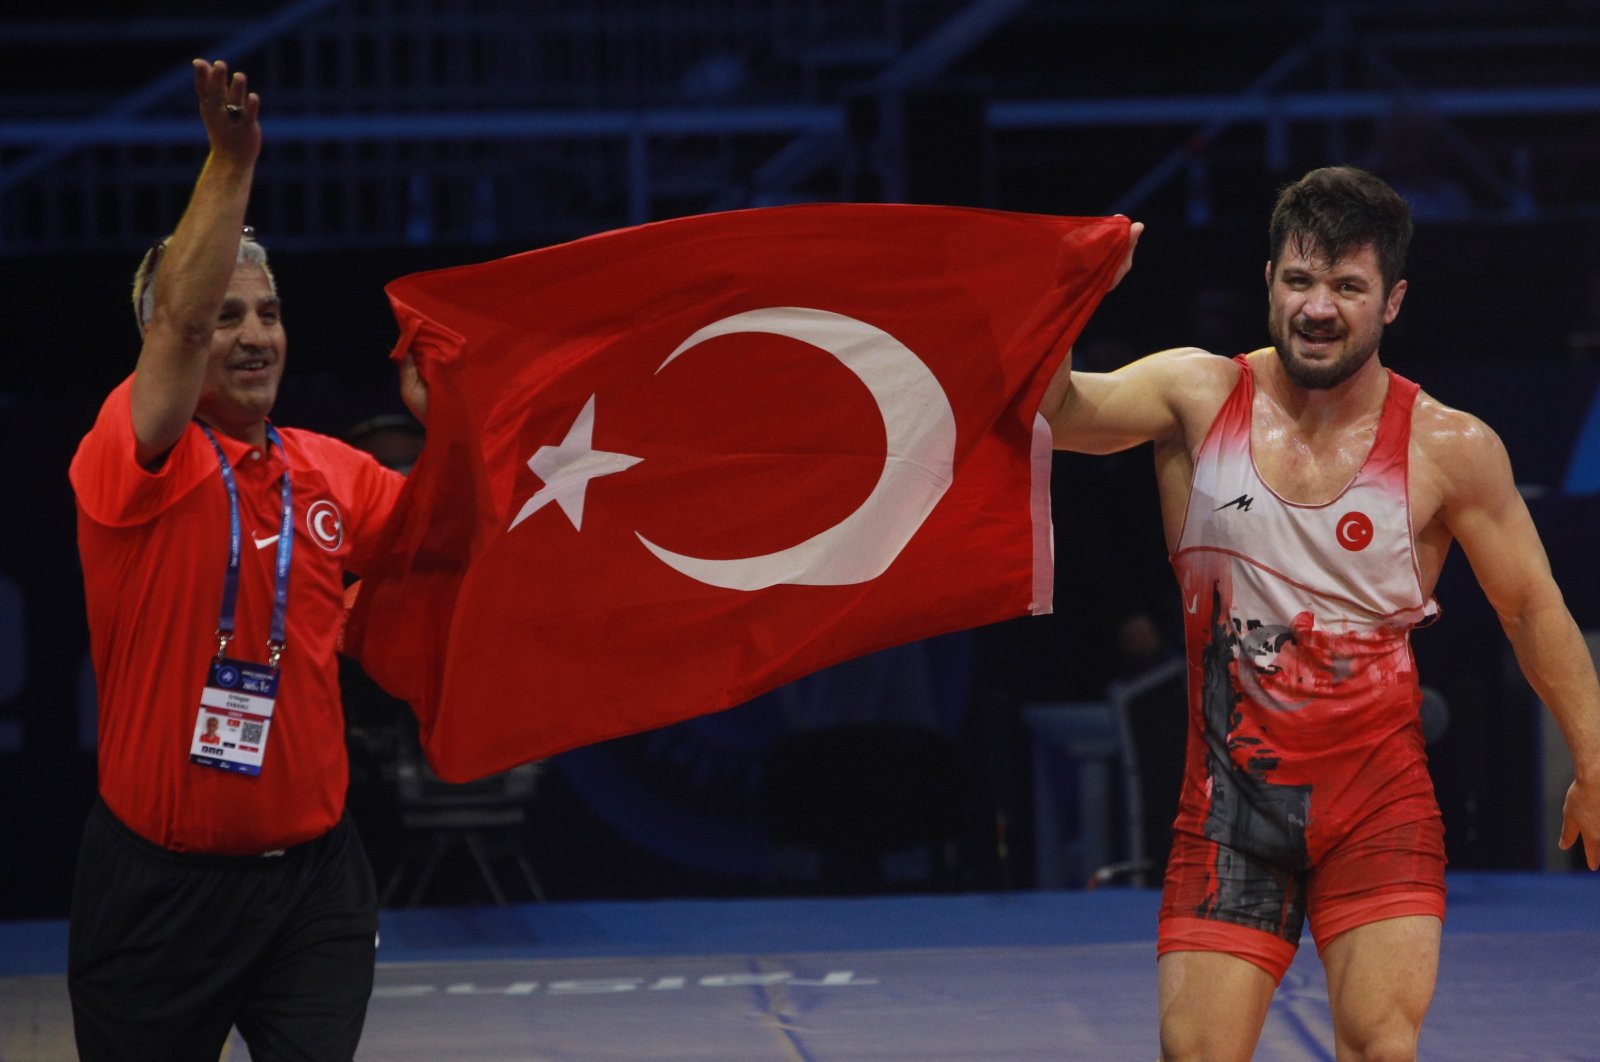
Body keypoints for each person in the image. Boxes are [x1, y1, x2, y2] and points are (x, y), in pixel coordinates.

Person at [1042, 165, 1600, 1061]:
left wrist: (1594, 758)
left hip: (1378, 806)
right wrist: (1063, 296)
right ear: (1269, 281)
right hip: (1229, 809)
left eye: (1347, 286)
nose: (1318, 306)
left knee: (1381, 1045)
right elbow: (1055, 412)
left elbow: (1533, 609)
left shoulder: (1448, 446)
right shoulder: (1196, 396)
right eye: (1300, 279)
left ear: (1392, 301)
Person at [67, 59, 427, 1061]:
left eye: (266, 312)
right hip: (157, 896)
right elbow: (176, 321)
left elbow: (451, 546)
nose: (254, 336)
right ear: (166, 342)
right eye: (228, 317)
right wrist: (231, 164)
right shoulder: (133, 455)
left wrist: (458, 428)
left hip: (314, 884)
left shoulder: (331, 471)